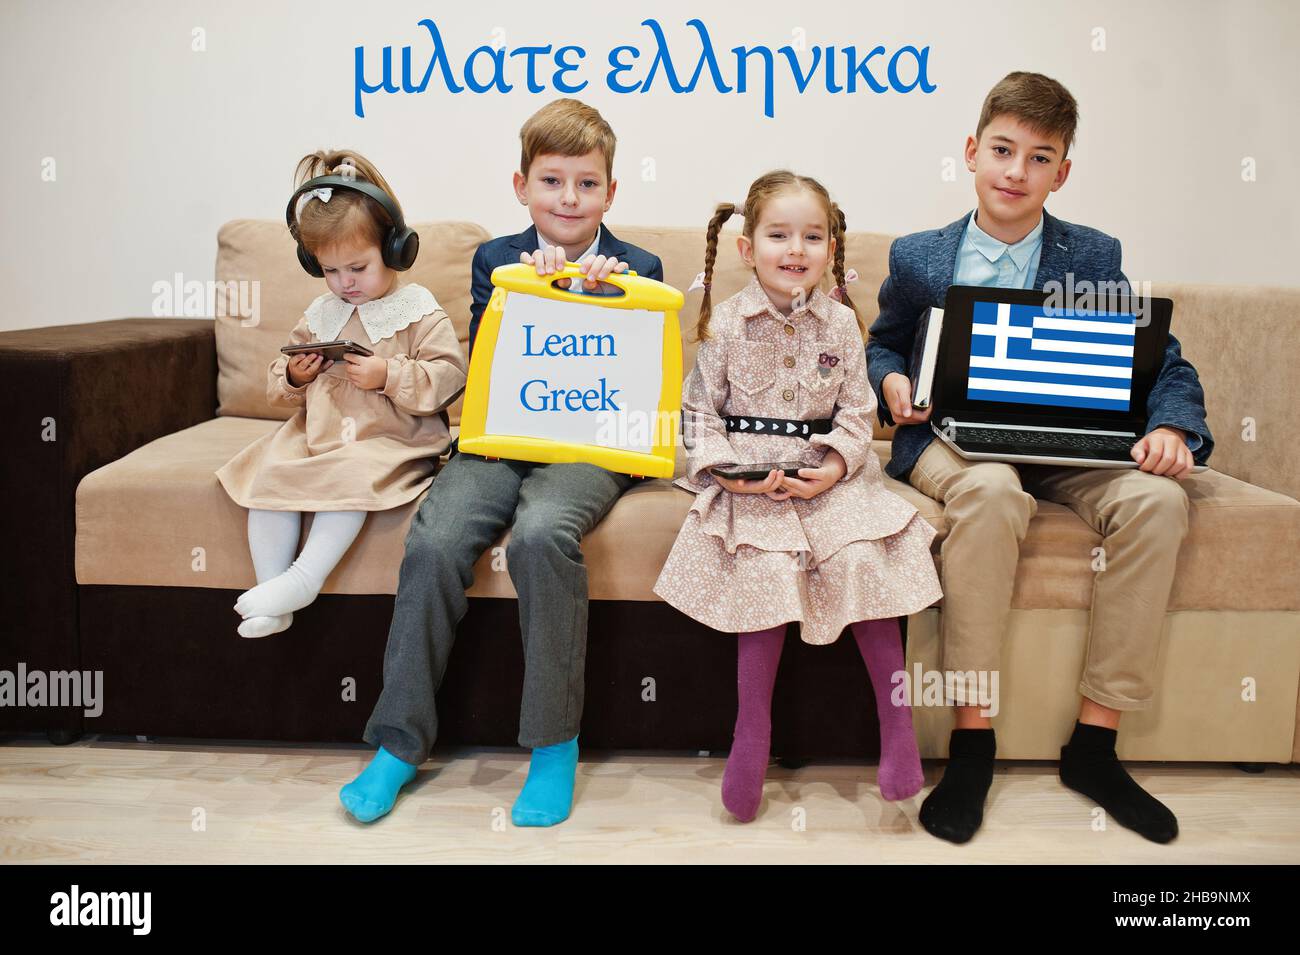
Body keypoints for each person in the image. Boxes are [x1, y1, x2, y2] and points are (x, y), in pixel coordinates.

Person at [867, 72, 1213, 844]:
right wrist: (890, 379)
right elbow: (882, 341)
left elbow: (1167, 365)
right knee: (990, 492)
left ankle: (1095, 743)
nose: (1016, 171)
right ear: (971, 151)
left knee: (1159, 500)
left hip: (1062, 439)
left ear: (1062, 172)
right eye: (1002, 150)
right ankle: (973, 740)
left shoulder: (1092, 256)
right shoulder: (921, 257)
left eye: (1038, 157)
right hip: (955, 441)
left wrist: (1174, 430)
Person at [341, 98, 664, 827]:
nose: (569, 199)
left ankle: (553, 745)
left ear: (611, 192)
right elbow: (489, 359)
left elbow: (642, 373)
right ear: (521, 186)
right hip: (501, 440)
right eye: (552, 182)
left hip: (591, 446)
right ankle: (398, 742)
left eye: (586, 184)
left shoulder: (640, 266)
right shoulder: (496, 259)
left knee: (543, 535)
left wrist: (603, 292)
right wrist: (537, 283)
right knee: (433, 538)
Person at [653, 170, 943, 822]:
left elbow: (857, 411)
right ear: (746, 248)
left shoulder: (841, 324)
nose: (796, 249)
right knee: (763, 566)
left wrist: (837, 465)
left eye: (812, 236)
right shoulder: (724, 324)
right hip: (751, 477)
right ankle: (751, 733)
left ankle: (895, 727)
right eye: (779, 234)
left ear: (831, 250)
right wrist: (725, 470)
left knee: (864, 557)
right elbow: (699, 416)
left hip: (823, 473)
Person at [216, 149, 466, 640]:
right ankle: (273, 594)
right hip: (318, 433)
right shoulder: (321, 313)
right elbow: (276, 384)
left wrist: (388, 375)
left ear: (395, 250)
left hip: (389, 440)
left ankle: (304, 580)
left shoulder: (419, 311)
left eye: (357, 267)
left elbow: (449, 379)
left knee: (349, 476)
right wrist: (295, 374)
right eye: (331, 271)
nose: (345, 283)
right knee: (267, 473)